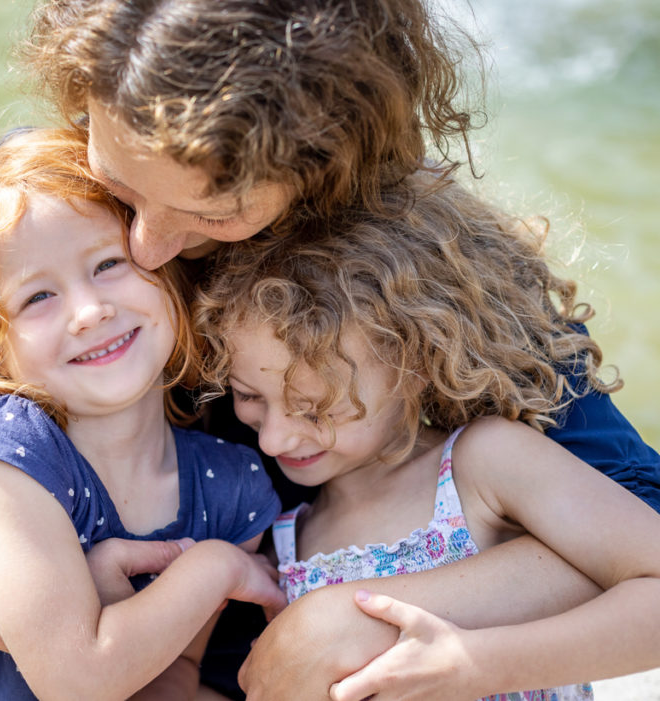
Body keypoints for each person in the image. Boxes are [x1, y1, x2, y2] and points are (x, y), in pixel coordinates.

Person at [0, 1, 660, 698]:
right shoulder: (33, 222)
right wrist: (34, 603)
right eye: (120, 184)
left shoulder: (412, 269)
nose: (142, 247)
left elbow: (639, 519)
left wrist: (353, 616)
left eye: (212, 211)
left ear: (323, 170)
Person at [0, 127, 285, 700]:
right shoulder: (8, 452)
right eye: (37, 297)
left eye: (107, 264)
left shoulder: (231, 486)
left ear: (169, 274)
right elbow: (77, 679)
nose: (88, 310)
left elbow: (173, 674)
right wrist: (216, 571)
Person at [193, 173, 660, 700]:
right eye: (249, 396)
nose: (274, 439)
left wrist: (476, 666)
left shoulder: (483, 463)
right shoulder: (285, 540)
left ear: (413, 365)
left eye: (313, 406)